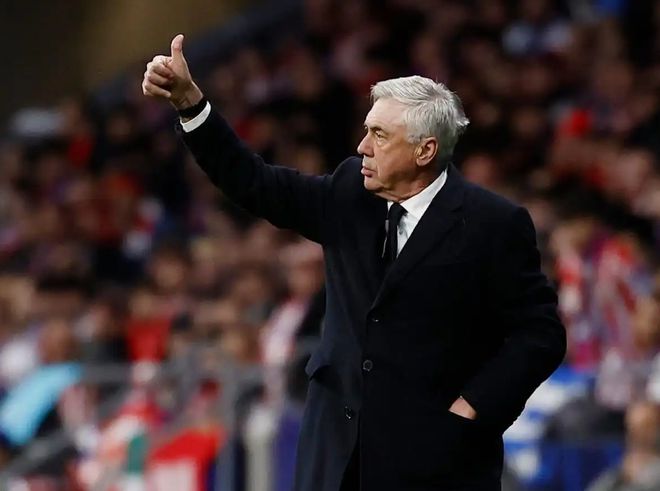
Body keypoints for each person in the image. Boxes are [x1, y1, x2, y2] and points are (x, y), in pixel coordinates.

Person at [142, 34, 566, 491]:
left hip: (438, 460)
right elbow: (255, 183)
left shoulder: (493, 224)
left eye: (379, 135)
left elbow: (540, 333)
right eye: (367, 130)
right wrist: (190, 104)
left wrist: (473, 407)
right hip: (336, 455)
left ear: (424, 151)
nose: (363, 146)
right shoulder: (350, 193)